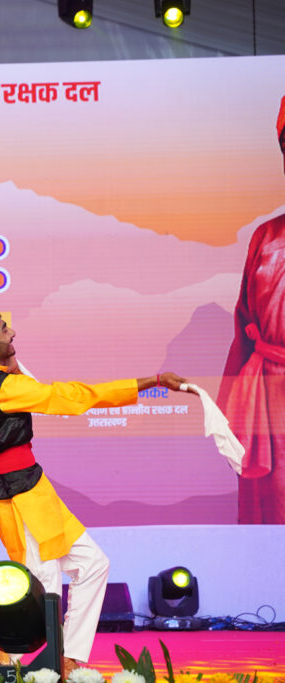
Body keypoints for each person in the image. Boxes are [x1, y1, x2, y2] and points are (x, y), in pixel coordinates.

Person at [0, 307, 189, 675]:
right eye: (3, 330)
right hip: (16, 495)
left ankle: (69, 655)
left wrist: (7, 360)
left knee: (93, 564)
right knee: (42, 582)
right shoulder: (8, 388)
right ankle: (34, 670)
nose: (12, 332)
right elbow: (75, 397)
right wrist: (151, 381)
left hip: (32, 487)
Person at [217, 94, 285, 524]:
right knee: (269, 510)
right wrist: (227, 413)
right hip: (266, 402)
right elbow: (243, 326)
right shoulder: (266, 236)